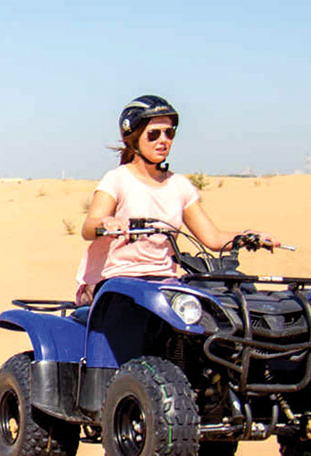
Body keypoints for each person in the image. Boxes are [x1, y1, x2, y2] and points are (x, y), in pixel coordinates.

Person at [75, 95, 278, 305]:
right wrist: (106, 223)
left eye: (169, 133)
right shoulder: (117, 179)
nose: (163, 140)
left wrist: (248, 237)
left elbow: (213, 238)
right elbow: (88, 228)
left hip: (163, 283)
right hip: (118, 281)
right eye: (153, 134)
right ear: (134, 138)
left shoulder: (179, 185)